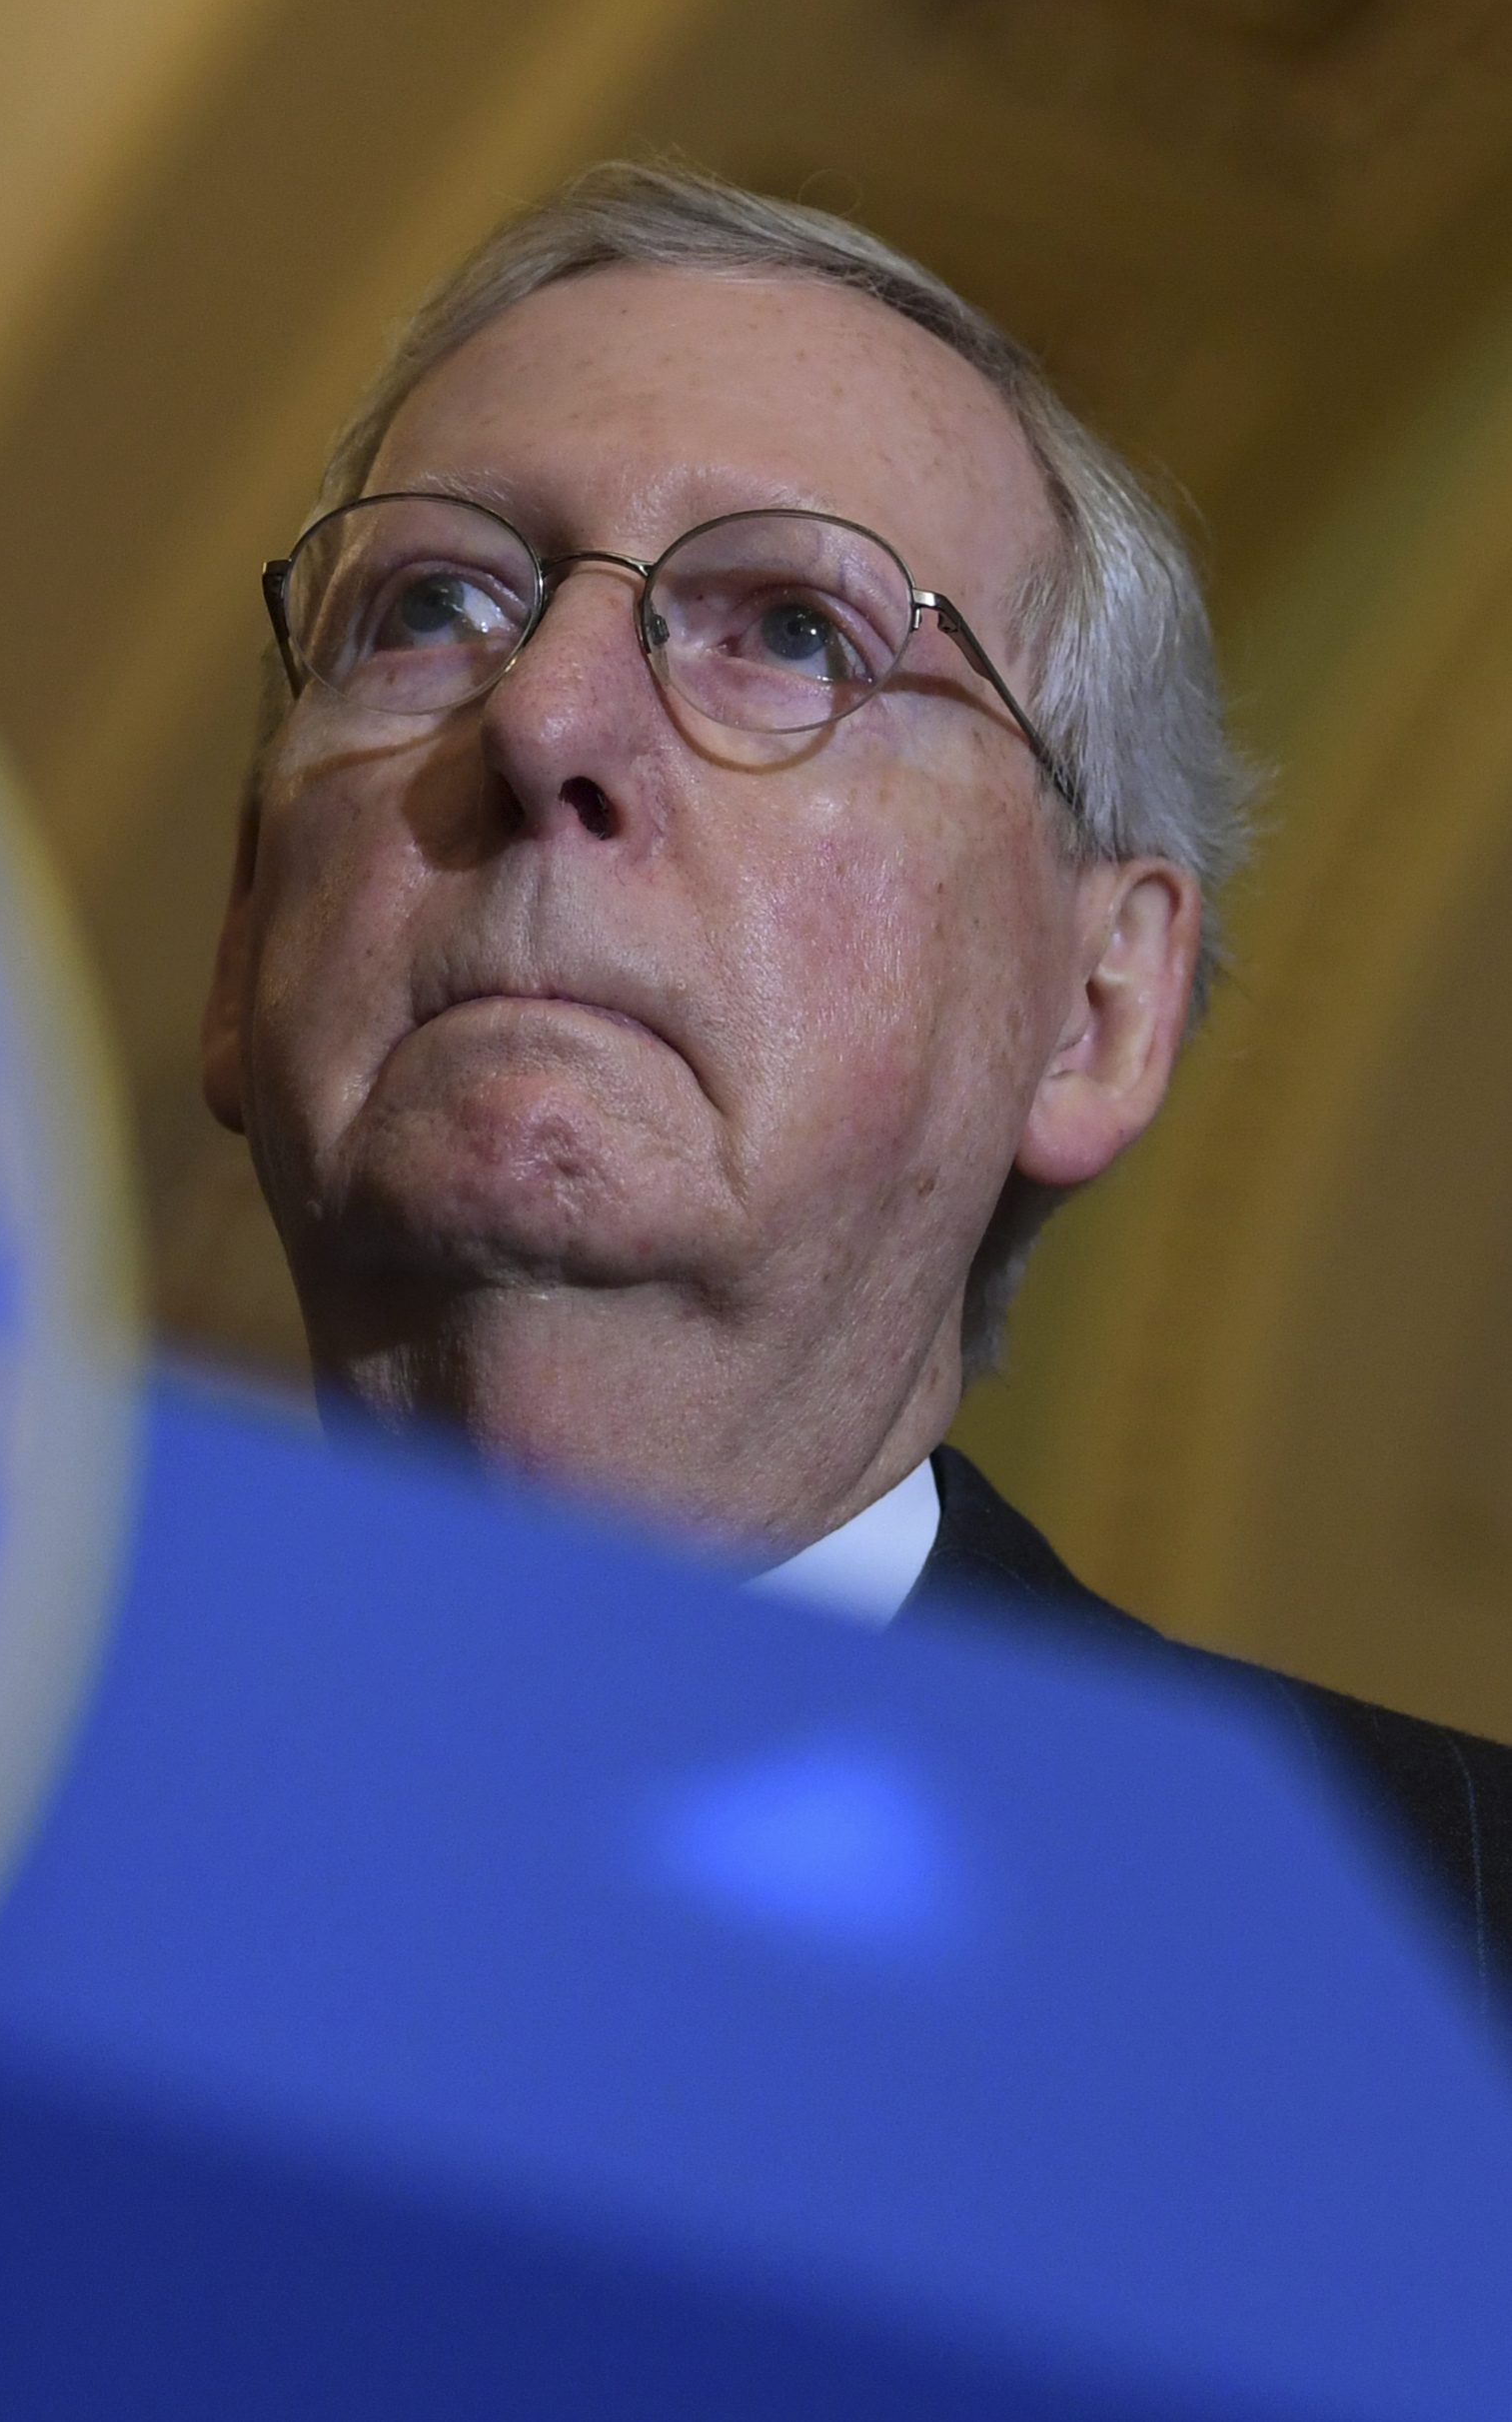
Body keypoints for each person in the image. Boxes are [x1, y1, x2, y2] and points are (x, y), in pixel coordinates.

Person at [203, 161, 1512, 2008]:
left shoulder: (1448, 1978)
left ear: (1094, 1007)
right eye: (436, 606)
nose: (542, 718)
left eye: (795, 630)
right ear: (243, 932)